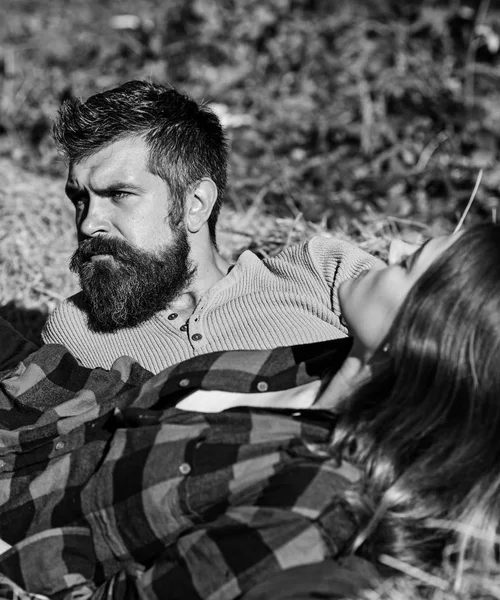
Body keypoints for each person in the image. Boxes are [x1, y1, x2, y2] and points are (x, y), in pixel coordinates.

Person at [1, 222, 498, 600]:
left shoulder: (315, 508)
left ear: (432, 338)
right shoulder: (316, 359)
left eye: (411, 265)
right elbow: (125, 403)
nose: (394, 248)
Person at [41, 80, 381, 373]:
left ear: (195, 203)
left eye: (119, 194)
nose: (87, 223)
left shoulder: (321, 274)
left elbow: (426, 354)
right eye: (80, 199)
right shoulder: (75, 332)